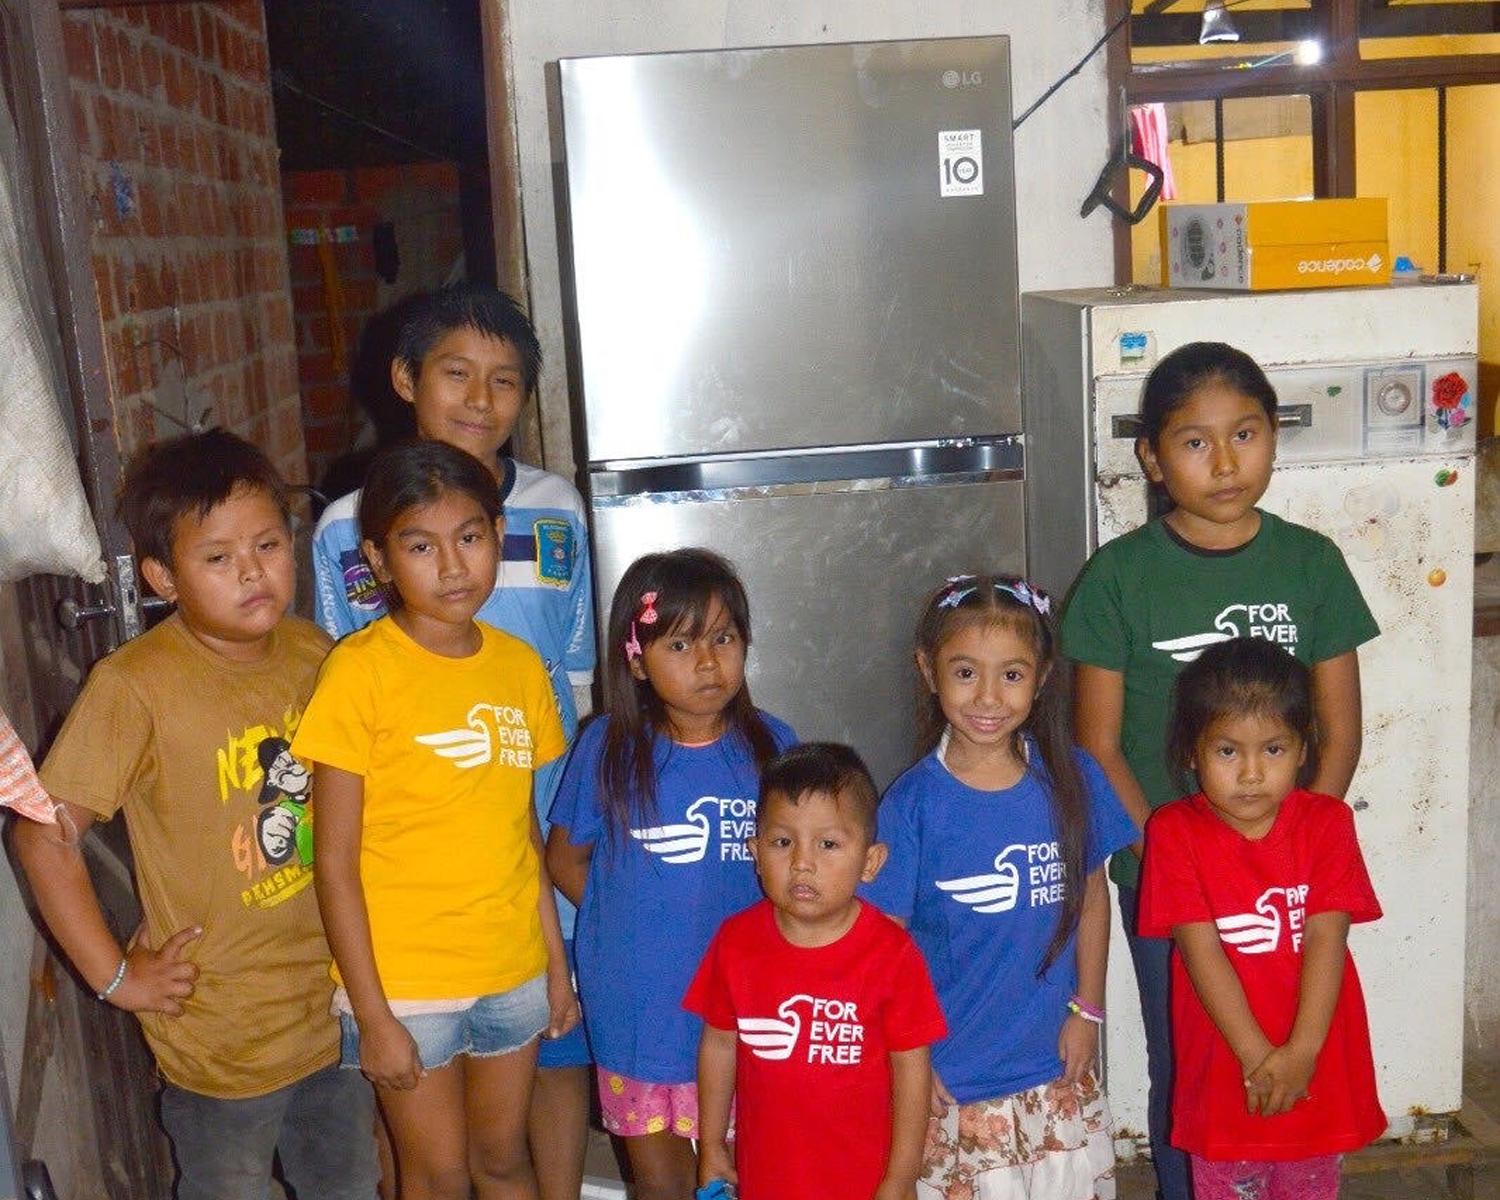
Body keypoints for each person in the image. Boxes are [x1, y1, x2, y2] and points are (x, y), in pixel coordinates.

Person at [11, 429, 378, 1200]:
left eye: (269, 545)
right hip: (219, 1041)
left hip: (334, 1014)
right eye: (218, 558)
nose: (252, 572)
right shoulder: (136, 686)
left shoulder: (318, 656)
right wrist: (116, 979)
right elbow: (43, 837)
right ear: (162, 578)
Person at [1059, 342, 1379, 1200]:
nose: (1226, 461)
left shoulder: (1311, 564)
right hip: (1169, 878)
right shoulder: (1119, 578)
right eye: (1195, 442)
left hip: (1291, 882)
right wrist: (1172, 863)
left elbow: (1338, 732)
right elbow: (1099, 744)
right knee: (1191, 1071)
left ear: (1274, 437)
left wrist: (1291, 850)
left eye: (1246, 433)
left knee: (1296, 1043)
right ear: (1153, 459)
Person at [310, 282, 596, 1197]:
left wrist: (556, 946)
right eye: (456, 374)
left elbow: (574, 691)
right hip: (410, 940)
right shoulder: (355, 621)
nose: (480, 399)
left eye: (504, 380)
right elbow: (337, 847)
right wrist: (372, 1006)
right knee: (429, 1160)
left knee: (518, 1126)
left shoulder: (550, 532)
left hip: (520, 900)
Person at [866, 575, 1137, 1200]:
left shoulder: (1074, 777)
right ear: (929, 672)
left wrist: (1087, 1009)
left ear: (1041, 677)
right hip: (956, 1078)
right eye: (966, 673)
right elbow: (887, 944)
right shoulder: (910, 804)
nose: (988, 697)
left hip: (1055, 1063)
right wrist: (912, 1052)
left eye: (1011, 675)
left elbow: (1093, 899)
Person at [546, 549, 796, 1200]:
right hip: (639, 1010)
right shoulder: (606, 747)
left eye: (723, 638)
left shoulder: (774, 746)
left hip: (748, 1009)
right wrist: (632, 919)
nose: (708, 662)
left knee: (752, 1172)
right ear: (637, 659)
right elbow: (566, 858)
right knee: (660, 1181)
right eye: (681, 643)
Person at [1138, 637, 1385, 1200]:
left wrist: (1300, 1054)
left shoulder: (1327, 824)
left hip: (1315, 1057)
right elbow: (1201, 955)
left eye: (1273, 749)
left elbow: (1327, 938)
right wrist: (1259, 1061)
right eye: (1228, 751)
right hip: (1225, 1069)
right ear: (1190, 752)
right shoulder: (1174, 832)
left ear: (1303, 750)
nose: (1251, 773)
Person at [686, 742, 948, 1200]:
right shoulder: (735, 942)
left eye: (828, 844)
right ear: (755, 851)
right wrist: (709, 1144)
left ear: (870, 861)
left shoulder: (892, 954)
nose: (802, 863)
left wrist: (900, 1178)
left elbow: (912, 1071)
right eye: (782, 842)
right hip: (767, 1175)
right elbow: (719, 1043)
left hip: (864, 1182)